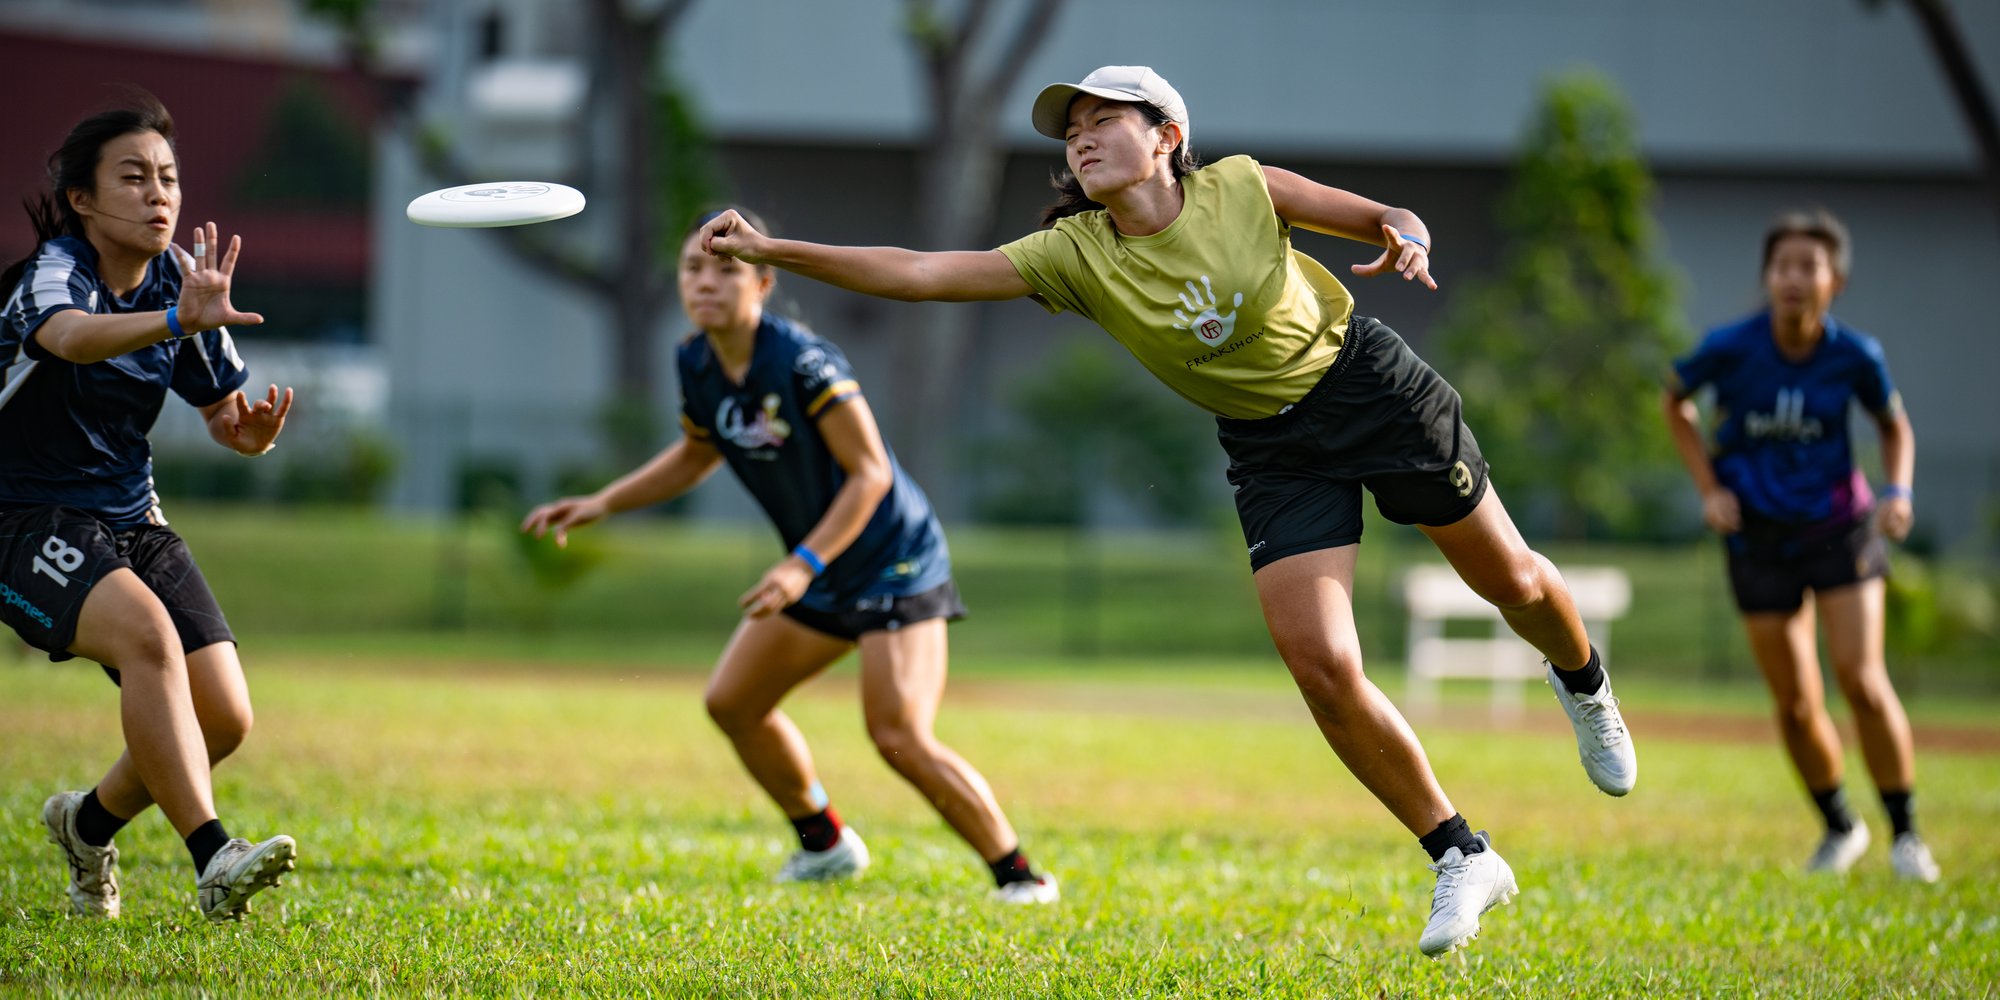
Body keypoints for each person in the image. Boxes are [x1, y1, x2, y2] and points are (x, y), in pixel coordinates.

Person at [695, 65, 1638, 956]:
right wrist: (777, 251)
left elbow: (1378, 214)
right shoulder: (1075, 255)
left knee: (1509, 579)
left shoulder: (1241, 185)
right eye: (1072, 131)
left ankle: (1585, 681)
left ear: (1167, 137)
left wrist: (1404, 228)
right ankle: (1462, 854)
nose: (1082, 140)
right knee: (1321, 665)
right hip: (1270, 446)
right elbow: (918, 272)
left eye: (1104, 120)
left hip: (1369, 388)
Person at [522, 208, 1058, 903]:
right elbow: (697, 453)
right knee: (734, 702)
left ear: (765, 281)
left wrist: (800, 563)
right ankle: (825, 843)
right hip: (818, 563)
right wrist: (605, 502)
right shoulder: (696, 360)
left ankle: (1019, 876)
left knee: (897, 733)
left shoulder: (804, 361)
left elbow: (871, 474)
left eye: (725, 268)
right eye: (692, 268)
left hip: (893, 560)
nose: (706, 282)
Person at [0, 91, 299, 922]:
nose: (159, 194)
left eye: (168, 177)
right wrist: (170, 318)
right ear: (82, 200)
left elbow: (223, 417)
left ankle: (85, 824)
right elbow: (65, 336)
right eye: (133, 178)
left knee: (225, 719)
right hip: (21, 520)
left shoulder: (180, 281)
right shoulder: (55, 274)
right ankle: (214, 856)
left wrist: (251, 436)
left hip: (133, 520)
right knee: (148, 640)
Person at [1662, 208, 1938, 882]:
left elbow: (1894, 427)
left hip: (1839, 530)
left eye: (1809, 266)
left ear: (1834, 281)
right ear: (1768, 276)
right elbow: (1675, 400)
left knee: (1863, 681)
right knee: (1793, 702)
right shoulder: (1730, 347)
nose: (1794, 278)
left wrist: (1898, 492)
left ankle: (1908, 837)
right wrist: (1710, 489)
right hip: (1756, 537)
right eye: (1783, 265)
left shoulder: (1856, 356)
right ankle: (1841, 826)